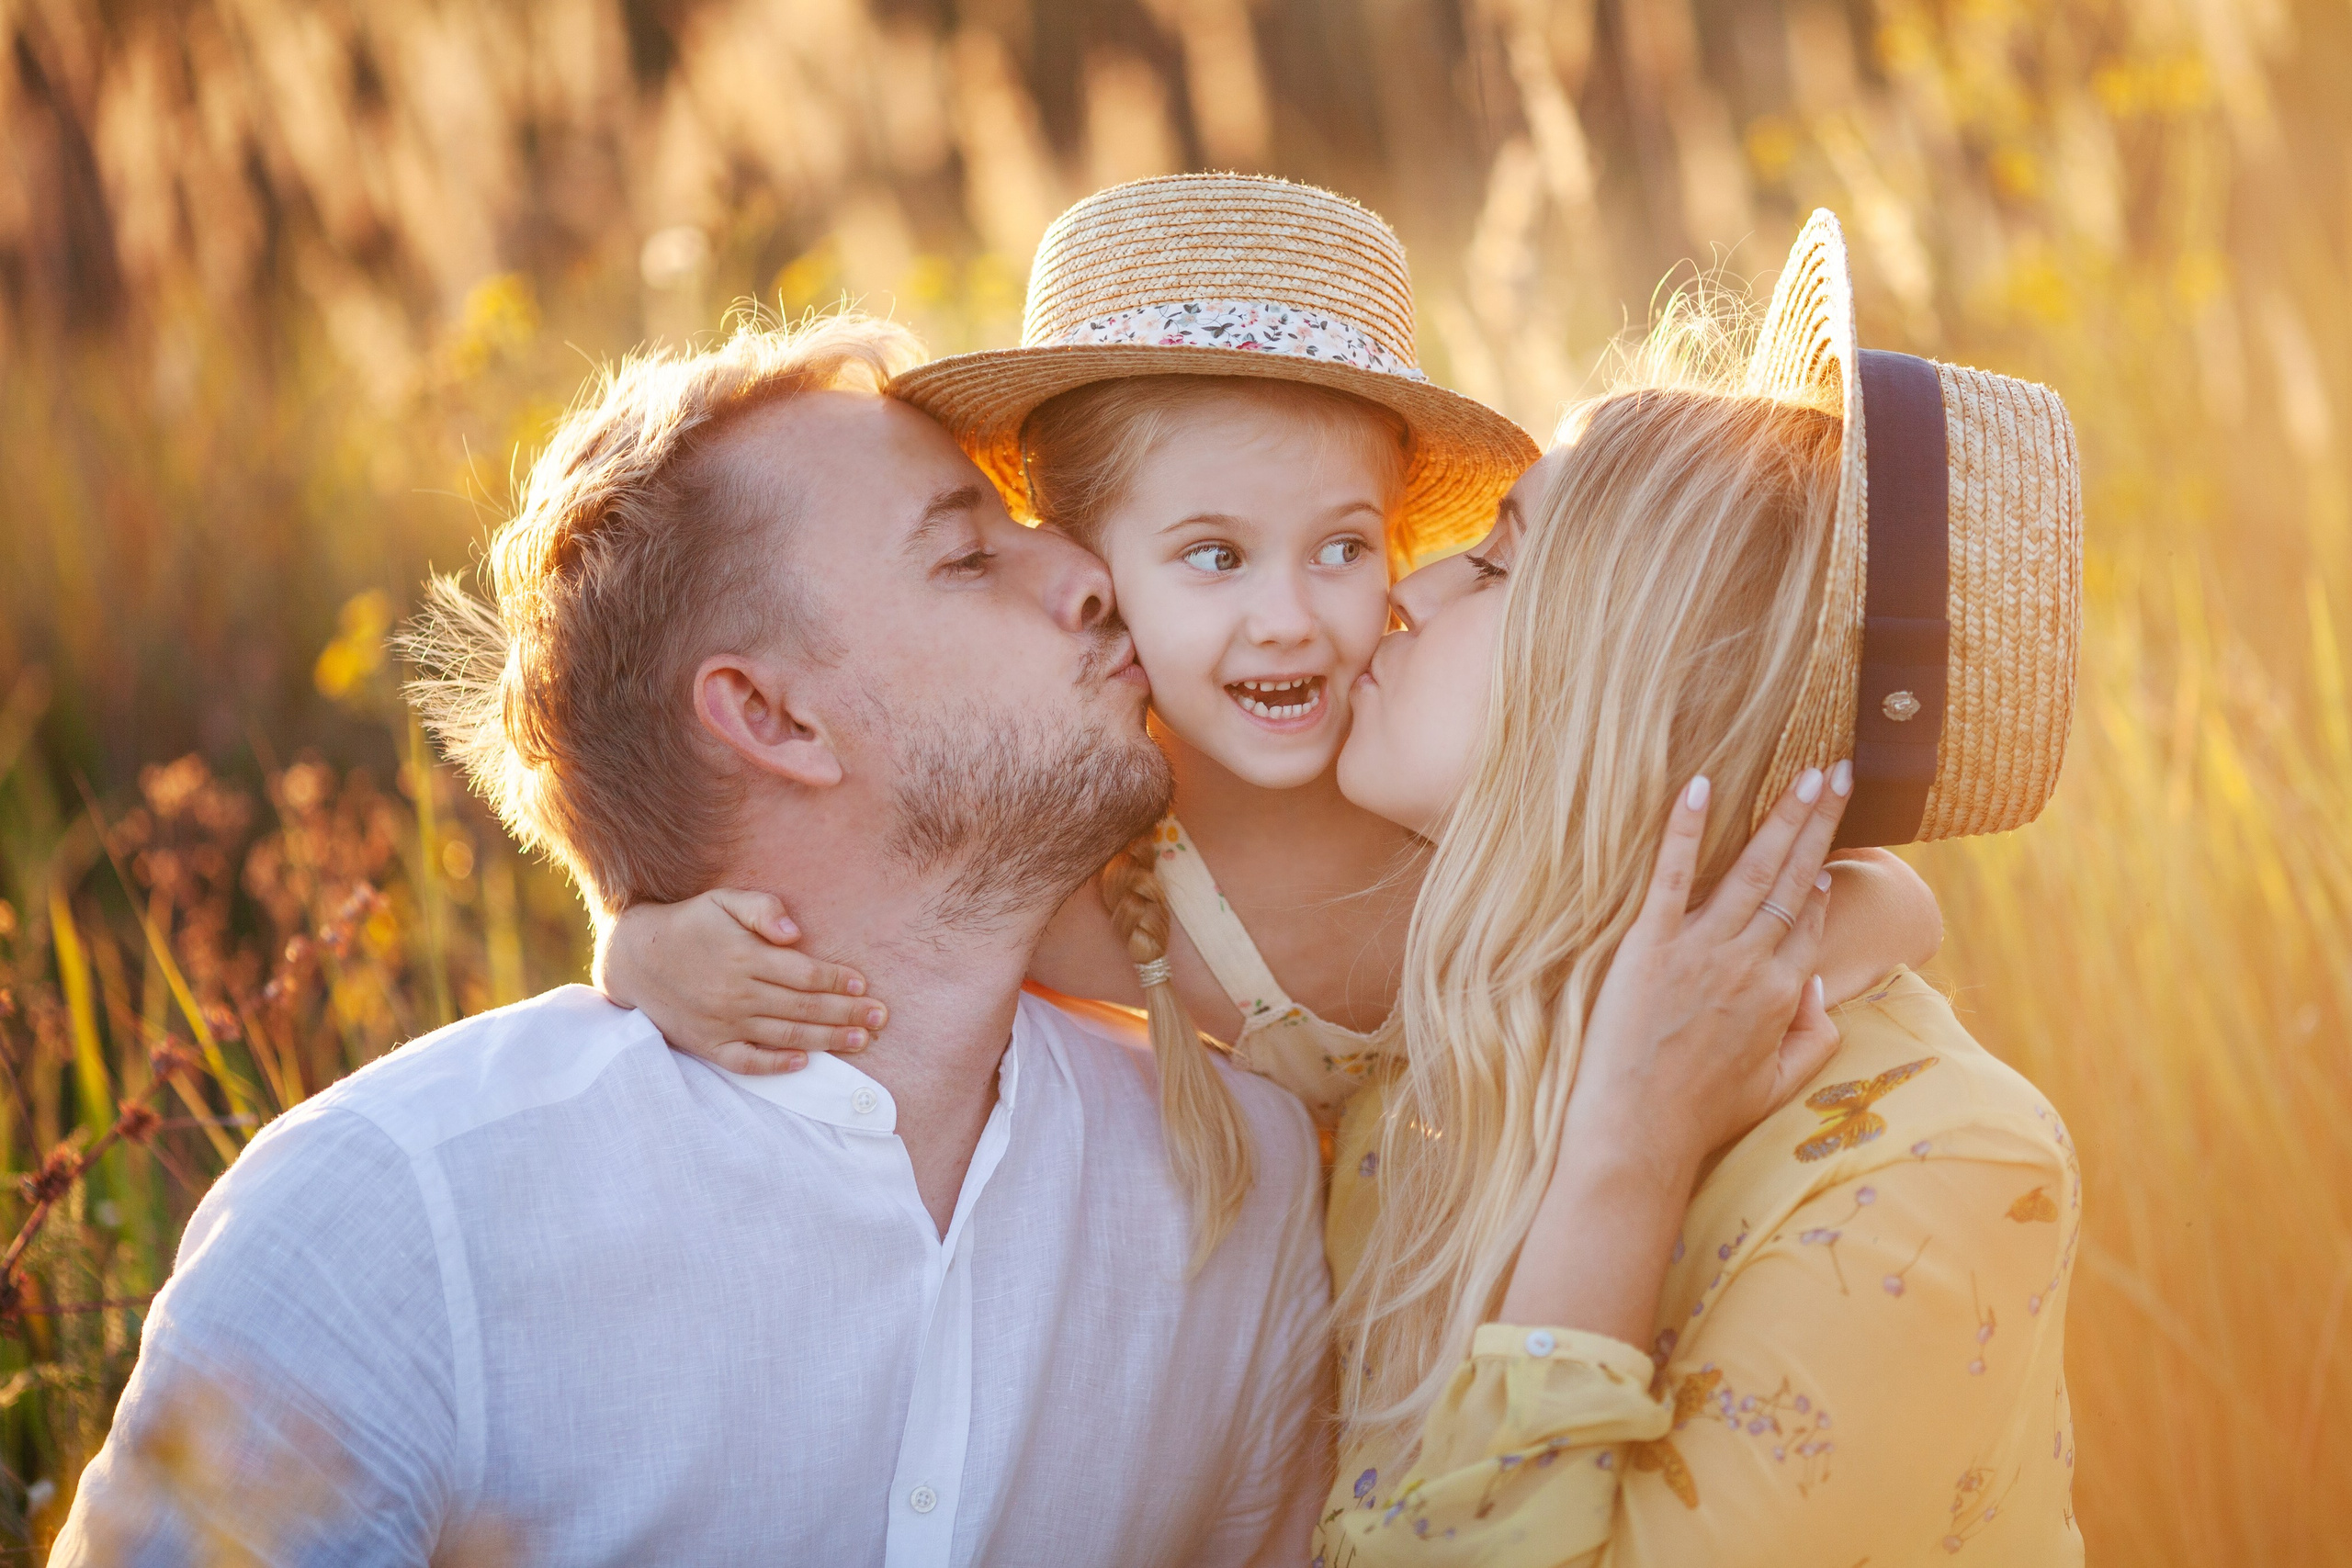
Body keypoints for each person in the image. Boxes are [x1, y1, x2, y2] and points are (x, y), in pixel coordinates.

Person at [51, 317, 1333, 1565]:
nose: (1088, 569)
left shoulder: (1238, 1186)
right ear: (772, 717)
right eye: (965, 555)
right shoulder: (396, 1218)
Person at [601, 177, 1943, 1210]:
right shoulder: (1106, 878)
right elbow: (860, 926)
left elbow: (1893, 900)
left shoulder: (1455, 792)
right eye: (1213, 556)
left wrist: (1639, 1056)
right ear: (1088, 567)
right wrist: (641, 950)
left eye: (1345, 547)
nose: (1291, 617)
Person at [1315, 210, 2085, 1565]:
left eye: (1496, 565)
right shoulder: (1432, 1056)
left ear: (1641, 695)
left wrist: (1625, 1163)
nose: (1406, 590)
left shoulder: (1934, 1173)